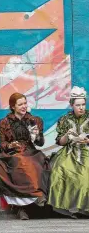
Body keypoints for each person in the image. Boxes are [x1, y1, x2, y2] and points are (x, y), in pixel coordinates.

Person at [0, 93, 50, 220]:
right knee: (19, 163)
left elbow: (40, 143)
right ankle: (22, 207)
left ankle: (35, 199)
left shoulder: (35, 120)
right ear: (13, 107)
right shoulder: (4, 122)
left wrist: (37, 135)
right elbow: (2, 143)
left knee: (37, 165)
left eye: (25, 103)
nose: (24, 106)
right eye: (20, 104)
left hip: (31, 151)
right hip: (13, 153)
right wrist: (10, 145)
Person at [48, 86, 89, 218]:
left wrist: (86, 140)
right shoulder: (64, 119)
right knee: (59, 170)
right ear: (72, 105)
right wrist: (67, 135)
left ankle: (84, 209)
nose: (81, 107)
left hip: (86, 151)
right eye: (78, 105)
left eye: (83, 104)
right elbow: (60, 141)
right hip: (69, 152)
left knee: (84, 174)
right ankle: (66, 208)